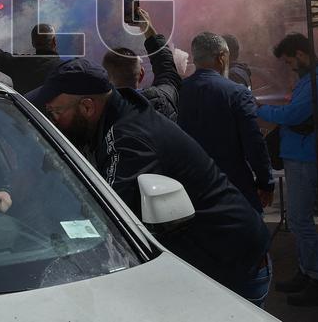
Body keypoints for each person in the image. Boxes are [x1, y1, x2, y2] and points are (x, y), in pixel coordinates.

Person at [31, 58, 271, 305]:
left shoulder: (129, 138)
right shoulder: (119, 111)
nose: (54, 120)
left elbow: (109, 220)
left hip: (231, 268)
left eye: (56, 112)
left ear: (88, 107)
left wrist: (52, 254)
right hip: (209, 260)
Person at [256, 33, 318, 307]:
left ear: (301, 54)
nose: (290, 66)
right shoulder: (310, 81)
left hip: (305, 158)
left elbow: (293, 115)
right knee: (299, 220)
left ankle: (317, 279)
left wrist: (261, 110)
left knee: (302, 221)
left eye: (291, 60)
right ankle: (307, 272)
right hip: (298, 156)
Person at [177, 32, 274, 213]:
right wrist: (265, 182)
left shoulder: (179, 91)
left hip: (191, 186)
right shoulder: (236, 92)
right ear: (222, 58)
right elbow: (254, 142)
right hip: (231, 184)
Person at [101, 7, 182, 121]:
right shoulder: (161, 101)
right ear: (142, 74)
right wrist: (147, 28)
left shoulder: (98, 113)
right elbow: (167, 70)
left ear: (105, 78)